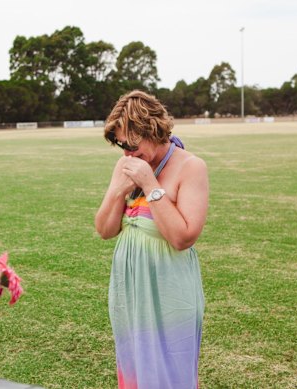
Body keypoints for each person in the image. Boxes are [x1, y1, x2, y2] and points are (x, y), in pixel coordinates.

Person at [95, 90, 208, 389]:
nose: (126, 154)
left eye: (132, 145)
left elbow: (183, 237)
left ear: (153, 130)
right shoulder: (126, 164)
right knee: (134, 373)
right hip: (130, 293)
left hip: (171, 295)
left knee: (170, 374)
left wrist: (149, 183)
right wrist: (118, 190)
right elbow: (105, 230)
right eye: (121, 146)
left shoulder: (191, 167)